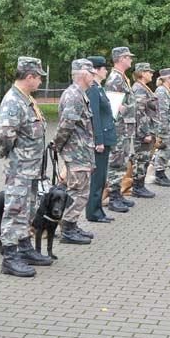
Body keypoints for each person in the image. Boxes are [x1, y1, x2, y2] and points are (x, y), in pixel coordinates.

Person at [0, 57, 52, 278]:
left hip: (31, 168)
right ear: (29, 77)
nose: (40, 83)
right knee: (14, 210)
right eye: (38, 78)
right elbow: (5, 136)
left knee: (27, 208)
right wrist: (12, 159)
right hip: (19, 168)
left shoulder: (26, 98)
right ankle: (10, 257)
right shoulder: (13, 101)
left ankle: (25, 247)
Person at [55, 59, 97, 244]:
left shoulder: (80, 94)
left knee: (81, 191)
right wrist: (57, 145)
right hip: (76, 152)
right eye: (92, 74)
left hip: (82, 151)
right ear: (83, 74)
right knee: (76, 191)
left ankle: (71, 224)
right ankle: (67, 228)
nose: (94, 77)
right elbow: (67, 125)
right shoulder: (73, 95)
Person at [104, 47, 137, 213]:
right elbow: (112, 105)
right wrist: (122, 109)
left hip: (125, 127)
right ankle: (113, 196)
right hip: (119, 128)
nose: (131, 60)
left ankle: (118, 193)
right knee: (116, 162)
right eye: (128, 57)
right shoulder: (115, 79)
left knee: (122, 161)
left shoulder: (122, 78)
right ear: (120, 59)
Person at [85, 56, 116, 223]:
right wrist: (99, 140)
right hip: (101, 138)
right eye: (104, 68)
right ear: (96, 70)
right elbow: (95, 116)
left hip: (106, 135)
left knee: (102, 177)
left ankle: (98, 210)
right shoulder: (93, 89)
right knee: (97, 179)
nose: (106, 71)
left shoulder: (99, 88)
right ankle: (93, 212)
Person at [131, 62, 157, 198]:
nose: (151, 74)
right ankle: (137, 187)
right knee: (141, 159)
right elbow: (139, 112)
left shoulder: (144, 88)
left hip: (148, 128)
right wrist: (144, 133)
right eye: (148, 72)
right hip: (142, 131)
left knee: (145, 159)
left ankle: (140, 185)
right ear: (141, 73)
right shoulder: (139, 89)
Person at [152, 68, 170, 187]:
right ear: (167, 78)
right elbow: (161, 111)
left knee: (167, 151)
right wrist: (162, 129)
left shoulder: (169, 90)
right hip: (165, 127)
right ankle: (159, 174)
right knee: (163, 151)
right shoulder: (161, 91)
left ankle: (162, 173)